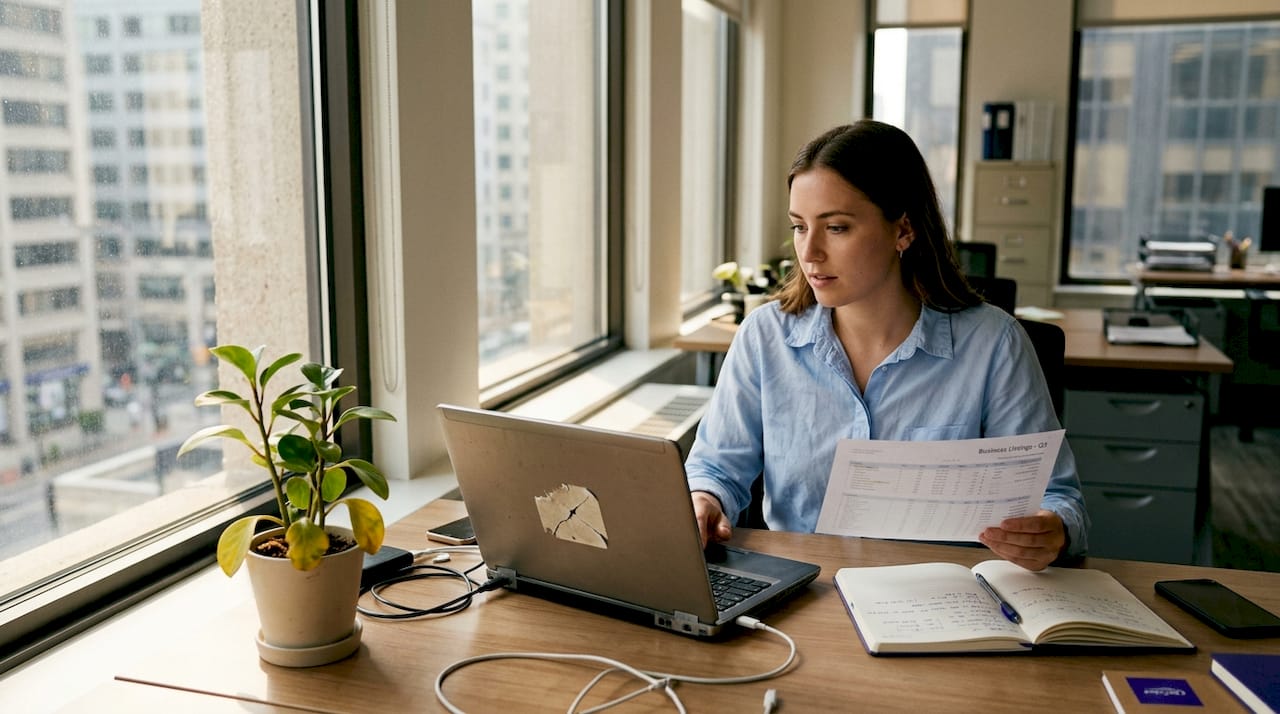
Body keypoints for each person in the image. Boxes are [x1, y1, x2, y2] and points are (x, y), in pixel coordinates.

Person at [684, 120, 1088, 571]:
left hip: (940, 596)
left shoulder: (994, 344)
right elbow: (715, 469)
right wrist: (705, 500)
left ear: (903, 230)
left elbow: (1058, 497)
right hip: (805, 590)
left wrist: (1051, 529)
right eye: (799, 227)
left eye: (836, 227)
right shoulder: (764, 336)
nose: (810, 252)